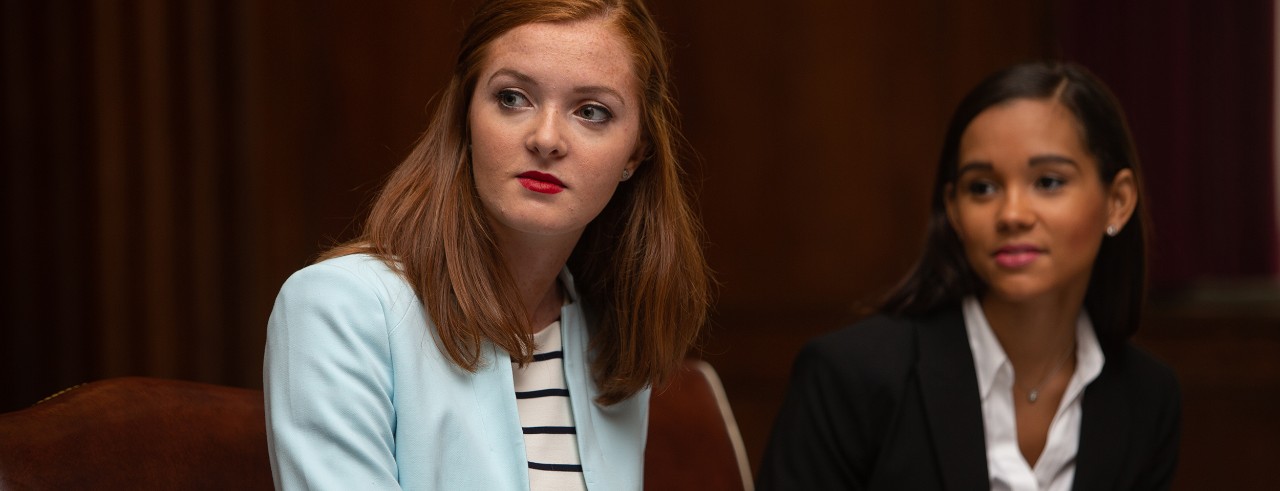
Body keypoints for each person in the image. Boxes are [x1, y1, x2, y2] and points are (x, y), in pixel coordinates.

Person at [263, 1, 712, 489]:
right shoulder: (341, 308)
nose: (546, 139)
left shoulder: (612, 336)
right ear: (466, 115)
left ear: (637, 150)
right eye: (513, 98)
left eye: (591, 111)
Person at [757, 61, 1180, 490]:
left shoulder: (1147, 396)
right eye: (982, 187)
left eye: (1049, 182)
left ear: (1118, 201)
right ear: (954, 211)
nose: (1012, 214)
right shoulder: (850, 377)